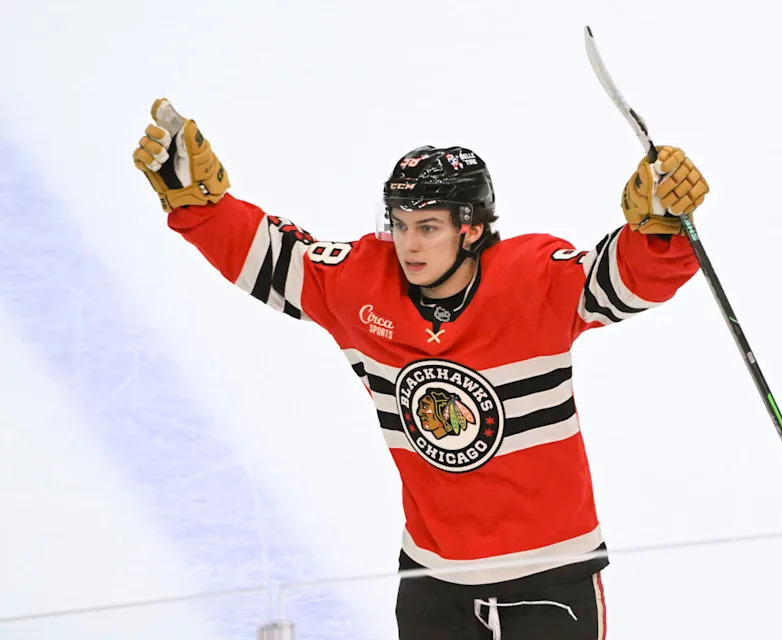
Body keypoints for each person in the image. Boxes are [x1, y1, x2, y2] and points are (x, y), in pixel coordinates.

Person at [133, 98, 709, 640]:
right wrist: (198, 205)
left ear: (472, 229)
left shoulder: (533, 282)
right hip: (433, 580)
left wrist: (657, 231)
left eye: (428, 226)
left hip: (549, 579)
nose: (409, 244)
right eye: (400, 223)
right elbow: (272, 258)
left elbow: (621, 280)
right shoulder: (363, 285)